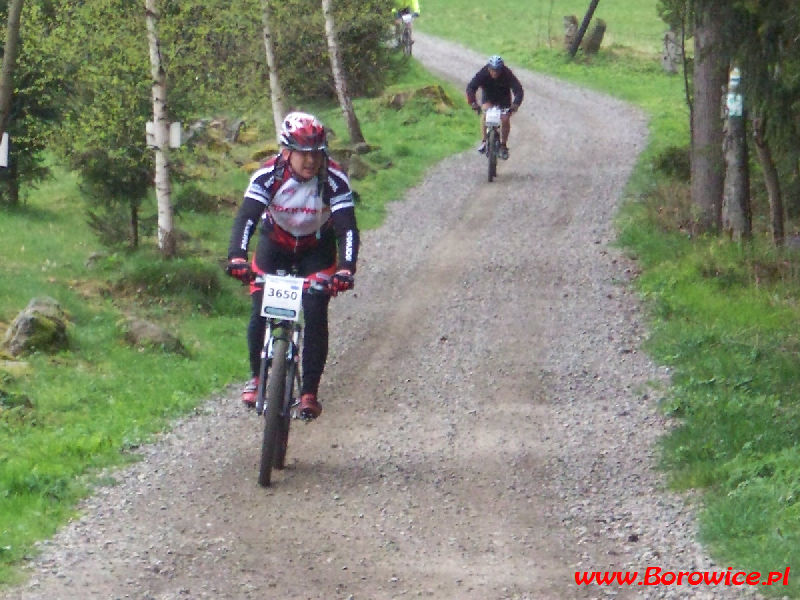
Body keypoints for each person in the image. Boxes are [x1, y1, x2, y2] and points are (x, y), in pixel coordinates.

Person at [226, 111, 360, 420]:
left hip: (317, 249)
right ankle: (257, 376)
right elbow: (246, 217)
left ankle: (309, 392)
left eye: (317, 152)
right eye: (303, 153)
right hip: (276, 245)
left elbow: (347, 228)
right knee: (260, 305)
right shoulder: (268, 176)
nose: (311, 160)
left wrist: (346, 269)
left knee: (315, 311)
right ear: (287, 151)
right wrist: (237, 257)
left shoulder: (334, 179)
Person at [465, 55, 524, 160]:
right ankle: (484, 141)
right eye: (493, 70)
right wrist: (473, 102)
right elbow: (471, 87)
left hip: (504, 99)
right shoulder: (483, 73)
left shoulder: (507, 73)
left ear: (502, 69)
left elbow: (518, 89)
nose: (495, 73)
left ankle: (503, 145)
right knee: (485, 115)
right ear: (488, 68)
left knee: (505, 118)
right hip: (489, 98)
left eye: (498, 70)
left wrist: (515, 104)